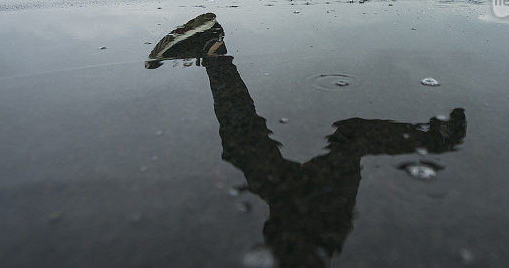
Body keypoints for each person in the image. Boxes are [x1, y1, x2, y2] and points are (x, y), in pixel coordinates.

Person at [145, 13, 468, 267]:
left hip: (293, 214)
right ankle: (213, 52)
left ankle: (214, 53)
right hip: (317, 222)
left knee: (245, 147)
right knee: (350, 136)